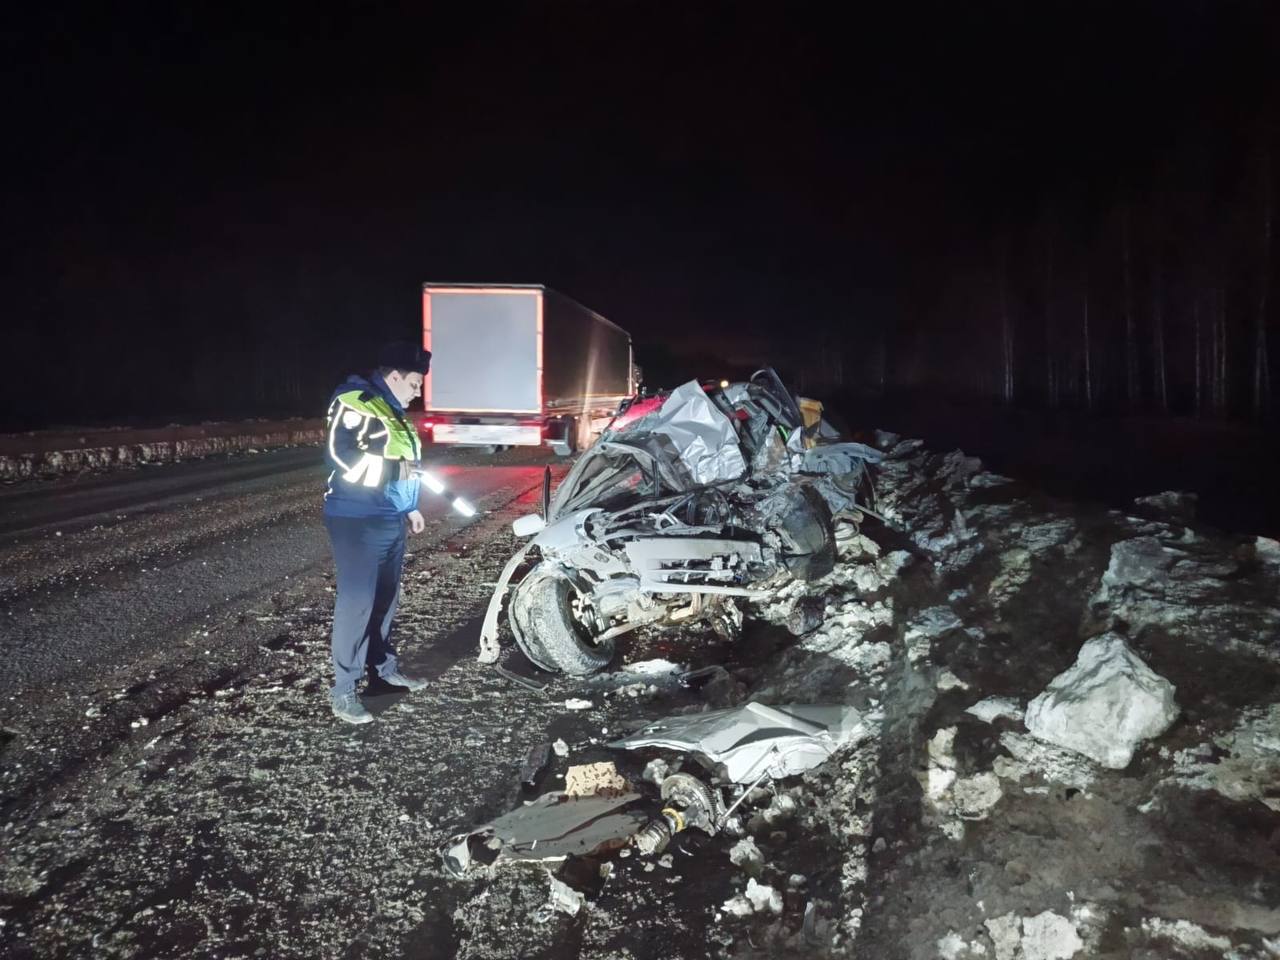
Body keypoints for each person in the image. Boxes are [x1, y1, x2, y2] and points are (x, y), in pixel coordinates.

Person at [322, 340, 432, 724]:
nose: (418, 392)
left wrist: (410, 506)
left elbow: (405, 463)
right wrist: (393, 474)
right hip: (356, 518)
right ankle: (344, 691)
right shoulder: (356, 401)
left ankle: (382, 675)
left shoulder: (391, 409)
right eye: (415, 384)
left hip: (390, 517)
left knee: (385, 600)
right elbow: (341, 457)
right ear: (396, 376)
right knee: (357, 604)